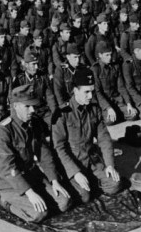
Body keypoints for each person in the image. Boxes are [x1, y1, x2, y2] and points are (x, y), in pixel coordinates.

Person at [0, 85, 71, 223]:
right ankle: (6, 202)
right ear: (16, 106)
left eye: (33, 106)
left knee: (64, 202)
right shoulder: (3, 131)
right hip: (10, 183)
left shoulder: (34, 123)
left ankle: (35, 198)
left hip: (31, 175)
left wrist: (54, 181)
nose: (33, 110)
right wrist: (29, 193)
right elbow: (8, 168)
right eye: (27, 106)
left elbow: (44, 154)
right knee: (39, 214)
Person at [52, 67, 122, 203]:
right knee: (84, 196)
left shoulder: (94, 109)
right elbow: (58, 147)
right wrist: (75, 172)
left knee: (115, 185)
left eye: (92, 91)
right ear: (75, 90)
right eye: (86, 92)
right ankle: (82, 182)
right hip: (72, 162)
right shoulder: (61, 113)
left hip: (91, 160)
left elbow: (104, 138)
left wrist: (109, 165)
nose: (90, 96)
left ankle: (92, 180)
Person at [91, 41, 137, 125]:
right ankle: (109, 114)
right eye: (107, 55)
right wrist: (108, 107)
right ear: (100, 55)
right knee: (110, 121)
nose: (110, 57)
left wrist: (128, 103)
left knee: (133, 115)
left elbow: (121, 87)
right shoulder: (95, 69)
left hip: (117, 100)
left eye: (110, 54)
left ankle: (118, 113)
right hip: (105, 102)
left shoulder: (115, 66)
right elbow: (97, 92)